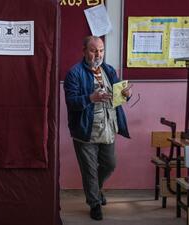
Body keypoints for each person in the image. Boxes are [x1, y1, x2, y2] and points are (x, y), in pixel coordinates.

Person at [63, 36, 131, 221]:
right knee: (90, 171)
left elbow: (117, 98)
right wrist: (90, 98)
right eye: (94, 51)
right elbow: (71, 102)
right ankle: (94, 204)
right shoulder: (74, 73)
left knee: (110, 164)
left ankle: (96, 190)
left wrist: (126, 94)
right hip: (85, 131)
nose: (98, 54)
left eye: (101, 50)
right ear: (84, 51)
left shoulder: (109, 70)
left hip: (108, 128)